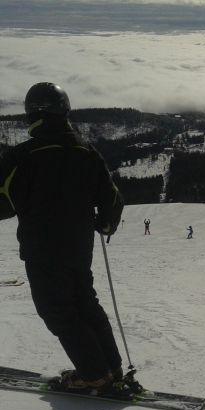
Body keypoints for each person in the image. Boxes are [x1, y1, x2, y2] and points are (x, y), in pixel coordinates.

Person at [0, 82, 125, 392]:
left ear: (32, 114)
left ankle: (94, 374)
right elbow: (112, 198)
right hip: (79, 247)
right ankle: (111, 368)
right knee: (85, 303)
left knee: (57, 309)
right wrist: (106, 224)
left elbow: (3, 202)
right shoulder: (87, 151)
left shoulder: (23, 156)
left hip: (42, 249)